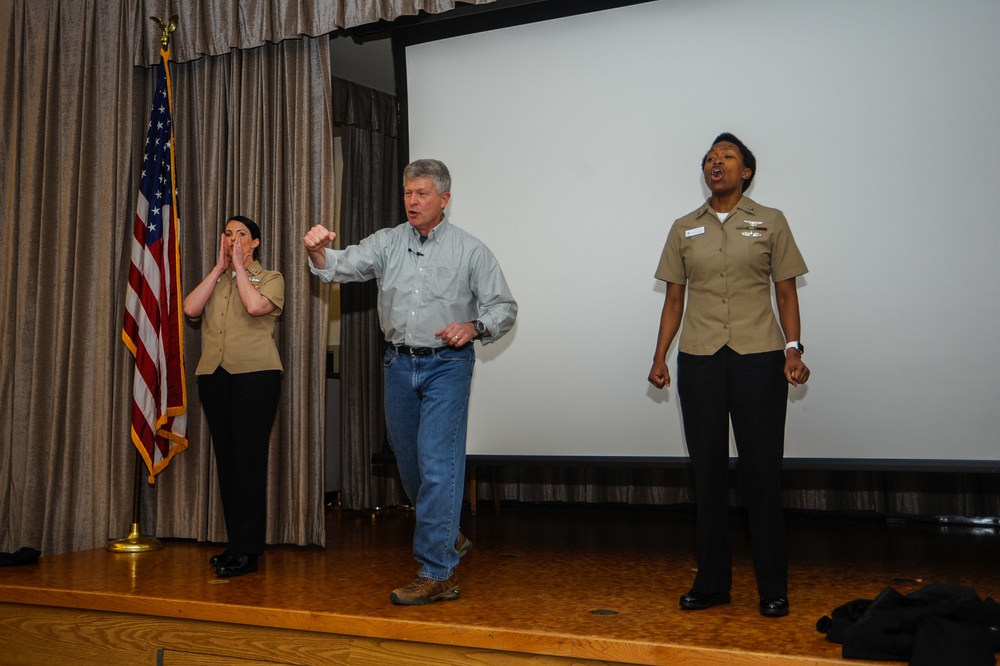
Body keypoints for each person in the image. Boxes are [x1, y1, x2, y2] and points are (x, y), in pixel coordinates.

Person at [303, 159, 517, 605]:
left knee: (439, 463)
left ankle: (437, 572)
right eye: (407, 193)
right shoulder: (386, 243)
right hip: (399, 365)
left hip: (447, 366)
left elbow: (504, 307)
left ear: (444, 199)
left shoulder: (470, 250)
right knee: (411, 466)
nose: (412, 201)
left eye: (421, 193)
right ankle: (447, 535)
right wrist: (318, 252)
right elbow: (340, 265)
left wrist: (474, 327)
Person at [647, 133, 810, 617]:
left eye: (728, 157)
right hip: (699, 359)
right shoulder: (683, 228)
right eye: (711, 159)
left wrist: (793, 348)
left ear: (747, 172)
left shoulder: (771, 222)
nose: (716, 163)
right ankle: (713, 583)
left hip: (759, 357)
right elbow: (674, 299)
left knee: (762, 474)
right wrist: (660, 356)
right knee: (708, 476)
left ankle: (772, 588)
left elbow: (786, 294)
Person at [183, 215, 284, 578]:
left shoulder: (270, 278)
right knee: (227, 460)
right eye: (227, 233)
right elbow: (190, 309)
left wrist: (240, 269)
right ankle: (235, 544)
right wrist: (218, 268)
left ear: (255, 242)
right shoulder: (217, 278)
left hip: (256, 376)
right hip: (214, 376)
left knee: (248, 461)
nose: (233, 239)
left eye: (241, 234)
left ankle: (248, 550)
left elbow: (256, 307)